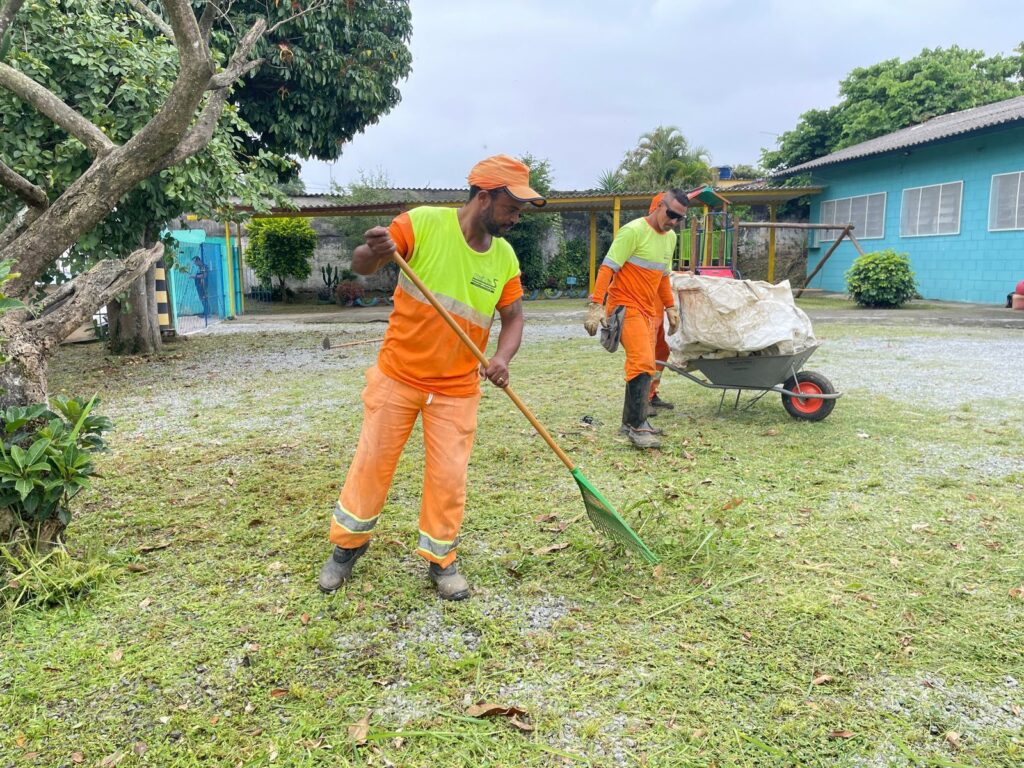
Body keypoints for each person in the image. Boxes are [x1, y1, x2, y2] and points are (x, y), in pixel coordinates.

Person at [317, 155, 545, 600]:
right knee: (372, 464)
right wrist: (376, 252)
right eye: (512, 208)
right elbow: (362, 264)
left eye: (520, 211)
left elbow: (514, 319)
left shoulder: (504, 258)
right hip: (397, 377)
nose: (517, 218)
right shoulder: (422, 223)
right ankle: (346, 549)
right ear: (484, 197)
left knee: (448, 477)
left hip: (458, 388)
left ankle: (441, 560)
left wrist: (502, 357)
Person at [583, 189, 686, 449]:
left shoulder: (670, 238)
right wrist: (596, 305)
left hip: (648, 309)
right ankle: (637, 426)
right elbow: (608, 267)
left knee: (646, 361)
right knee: (641, 359)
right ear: (659, 206)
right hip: (624, 306)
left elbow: (662, 276)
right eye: (671, 214)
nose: (673, 221)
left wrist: (670, 307)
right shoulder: (633, 231)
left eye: (679, 218)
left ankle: (632, 422)